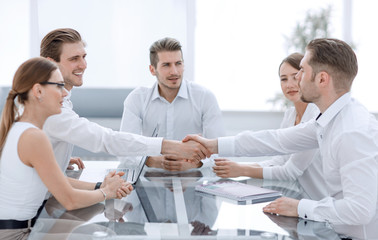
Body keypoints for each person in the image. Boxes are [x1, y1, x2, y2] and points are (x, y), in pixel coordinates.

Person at [184, 38, 378, 226]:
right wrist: (213, 145)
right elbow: (277, 140)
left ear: (321, 78)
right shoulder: (328, 119)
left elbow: (360, 210)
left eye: (302, 70)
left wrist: (300, 206)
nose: (297, 78)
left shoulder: (352, 132)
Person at [40, 28, 209, 182]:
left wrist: (56, 160)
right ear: (51, 63)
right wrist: (173, 147)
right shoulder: (52, 109)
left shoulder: (60, 100)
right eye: (74, 59)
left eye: (84, 57)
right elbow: (106, 139)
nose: (83, 65)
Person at [0, 58, 133, 240]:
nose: (64, 94)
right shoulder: (34, 137)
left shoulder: (18, 128)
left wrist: (100, 186)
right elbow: (69, 200)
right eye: (58, 86)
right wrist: (106, 192)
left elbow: (56, 182)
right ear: (38, 91)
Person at [213, 53, 327, 200]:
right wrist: (236, 166)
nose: (290, 84)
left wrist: (241, 169)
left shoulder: (316, 116)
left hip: (320, 203)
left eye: (295, 76)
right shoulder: (290, 115)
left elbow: (290, 171)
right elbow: (278, 161)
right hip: (298, 200)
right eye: (283, 79)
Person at [119, 37, 225, 171]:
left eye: (178, 63)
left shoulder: (204, 97)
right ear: (152, 70)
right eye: (166, 65)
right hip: (150, 180)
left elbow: (220, 151)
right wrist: (151, 161)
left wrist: (196, 163)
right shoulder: (137, 99)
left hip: (193, 180)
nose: (174, 71)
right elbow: (123, 149)